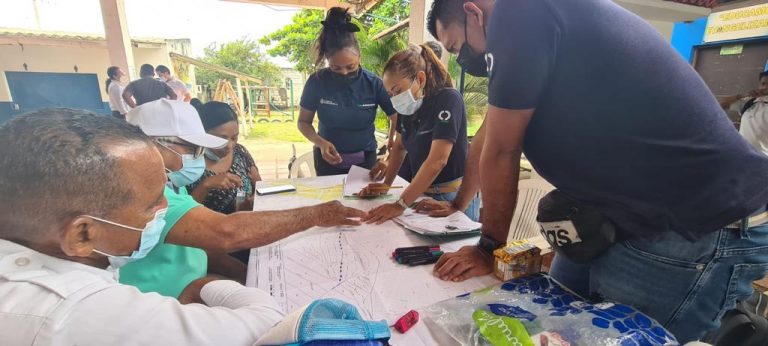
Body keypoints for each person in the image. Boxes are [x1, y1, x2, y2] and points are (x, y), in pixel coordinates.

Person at [427, 0, 768, 343]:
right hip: (621, 215)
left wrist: (489, 246)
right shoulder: (530, 30)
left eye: (458, 46)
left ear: (473, 13)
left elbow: (503, 151)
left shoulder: (520, 10)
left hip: (691, 225)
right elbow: (491, 136)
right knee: (548, 328)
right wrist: (460, 205)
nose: (461, 59)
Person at [0, 109, 284, 344]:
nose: (165, 208)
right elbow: (265, 322)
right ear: (82, 234)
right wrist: (211, 285)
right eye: (152, 204)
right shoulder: (82, 311)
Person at [120, 99, 366, 298]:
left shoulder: (174, 184)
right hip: (169, 303)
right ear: (151, 146)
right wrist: (316, 214)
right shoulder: (146, 195)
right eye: (191, 148)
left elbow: (202, 246)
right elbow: (225, 233)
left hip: (195, 283)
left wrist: (247, 274)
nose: (197, 156)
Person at [360, 44, 478, 223]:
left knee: (452, 248)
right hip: (421, 194)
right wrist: (386, 184)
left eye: (398, 91)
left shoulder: (447, 99)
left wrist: (400, 205)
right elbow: (399, 147)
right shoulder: (408, 108)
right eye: (390, 93)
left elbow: (438, 160)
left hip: (452, 197)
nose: (395, 98)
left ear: (420, 79)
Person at [298, 7, 397, 176]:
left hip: (366, 161)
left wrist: (392, 140)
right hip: (326, 161)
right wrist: (320, 142)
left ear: (359, 56)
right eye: (336, 68)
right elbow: (303, 123)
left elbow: (395, 115)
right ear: (327, 60)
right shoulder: (316, 82)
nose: (344, 72)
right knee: (330, 202)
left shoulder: (373, 83)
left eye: (351, 67)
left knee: (363, 201)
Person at [187, 101, 262, 264]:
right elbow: (183, 213)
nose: (230, 145)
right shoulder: (188, 164)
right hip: (211, 246)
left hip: (245, 232)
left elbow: (260, 188)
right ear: (203, 134)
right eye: (221, 139)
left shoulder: (240, 153)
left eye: (234, 137)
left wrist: (252, 203)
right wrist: (206, 185)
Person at [719, 71, 768, 156]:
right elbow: (721, 104)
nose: (765, 87)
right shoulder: (750, 102)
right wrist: (742, 95)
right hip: (741, 154)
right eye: (763, 84)